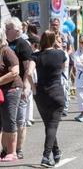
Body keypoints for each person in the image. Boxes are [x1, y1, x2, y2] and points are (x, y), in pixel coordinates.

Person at [31, 30, 67, 167]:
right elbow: (63, 70)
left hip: (40, 94)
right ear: (53, 40)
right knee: (52, 126)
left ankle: (56, 152)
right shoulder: (60, 54)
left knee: (49, 125)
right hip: (56, 93)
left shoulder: (36, 56)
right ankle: (46, 156)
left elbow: (29, 72)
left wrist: (33, 88)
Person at [5, 17, 33, 160]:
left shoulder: (23, 45)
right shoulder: (4, 44)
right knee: (7, 120)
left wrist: (26, 87)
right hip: (5, 88)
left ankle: (19, 149)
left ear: (16, 30)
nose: (5, 30)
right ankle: (7, 149)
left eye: (8, 28)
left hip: (19, 87)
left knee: (19, 119)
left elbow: (28, 68)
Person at [0, 27, 23, 162]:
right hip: (1, 90)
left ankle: (12, 152)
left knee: (9, 120)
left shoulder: (7, 51)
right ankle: (5, 150)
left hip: (12, 89)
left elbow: (15, 72)